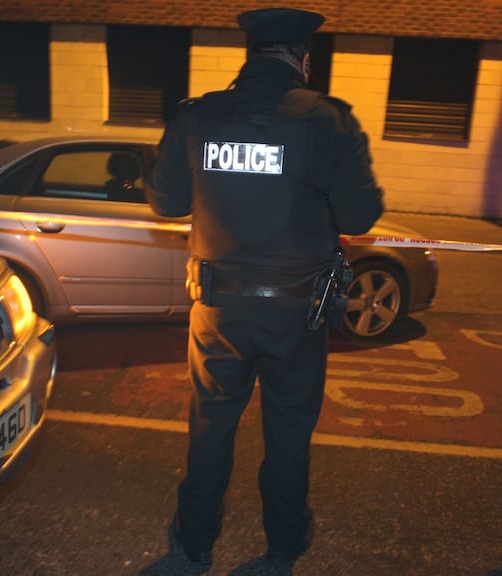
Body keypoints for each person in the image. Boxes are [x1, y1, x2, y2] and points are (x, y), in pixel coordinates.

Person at [140, 7, 384, 576]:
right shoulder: (328, 121)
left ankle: (195, 541)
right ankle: (283, 543)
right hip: (297, 313)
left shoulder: (198, 116)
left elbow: (165, 202)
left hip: (218, 309)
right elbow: (360, 214)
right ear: (303, 59)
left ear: (250, 55)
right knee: (289, 431)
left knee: (210, 428)